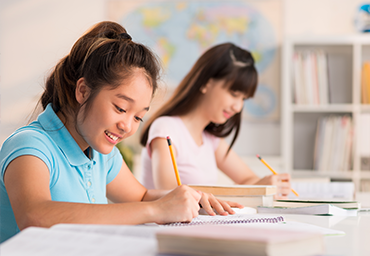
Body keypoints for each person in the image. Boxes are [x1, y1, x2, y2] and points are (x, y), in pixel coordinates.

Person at [0, 22, 240, 243]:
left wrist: (188, 197)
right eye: (121, 108)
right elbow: (36, 217)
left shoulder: (99, 151)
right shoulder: (30, 146)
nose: (127, 126)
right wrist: (157, 210)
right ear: (83, 91)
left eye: (137, 117)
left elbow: (141, 196)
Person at [140, 43, 292, 198]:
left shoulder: (210, 140)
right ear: (206, 83)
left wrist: (267, 183)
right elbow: (169, 195)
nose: (238, 107)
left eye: (243, 99)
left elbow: (247, 179)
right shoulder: (166, 129)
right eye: (234, 94)